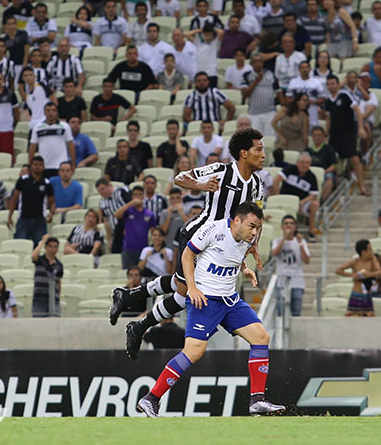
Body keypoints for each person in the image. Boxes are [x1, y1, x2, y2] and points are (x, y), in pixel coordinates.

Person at [112, 128, 266, 360]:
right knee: (185, 292)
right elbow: (180, 178)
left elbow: (257, 217)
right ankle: (139, 322)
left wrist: (254, 244)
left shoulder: (256, 184)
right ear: (244, 153)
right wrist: (201, 186)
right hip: (198, 235)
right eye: (259, 150)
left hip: (221, 247)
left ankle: (132, 303)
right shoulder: (221, 171)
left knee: (181, 287)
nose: (263, 155)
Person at [136, 202, 283, 417]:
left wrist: (245, 269)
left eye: (258, 228)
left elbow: (233, 255)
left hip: (230, 300)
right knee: (194, 351)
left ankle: (257, 400)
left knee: (261, 338)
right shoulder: (213, 230)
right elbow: (187, 255)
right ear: (237, 220)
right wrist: (192, 288)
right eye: (252, 226)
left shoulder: (246, 238)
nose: (255, 232)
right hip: (205, 300)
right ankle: (151, 399)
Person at [324, 75, 369, 196]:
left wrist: (360, 127)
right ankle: (333, 188)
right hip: (334, 134)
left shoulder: (345, 95)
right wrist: (326, 132)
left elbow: (358, 111)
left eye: (333, 83)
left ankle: (362, 186)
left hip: (348, 132)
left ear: (337, 84)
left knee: (354, 158)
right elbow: (328, 118)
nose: (331, 86)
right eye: (329, 84)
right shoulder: (328, 100)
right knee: (332, 161)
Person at [271, 152, 321, 240]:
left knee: (315, 204)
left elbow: (313, 195)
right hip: (284, 199)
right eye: (302, 162)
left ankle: (311, 232)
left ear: (310, 165)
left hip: (301, 202)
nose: (304, 165)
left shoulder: (312, 177)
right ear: (297, 162)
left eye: (307, 163)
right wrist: (277, 196)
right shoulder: (290, 169)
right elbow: (276, 180)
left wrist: (303, 202)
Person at [7, 156, 55, 243]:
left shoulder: (47, 183)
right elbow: (14, 199)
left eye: (40, 165)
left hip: (40, 220)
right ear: (31, 166)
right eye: (35, 164)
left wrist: (51, 214)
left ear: (44, 167)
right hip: (23, 218)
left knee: (40, 246)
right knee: (20, 244)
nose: (37, 167)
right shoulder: (22, 180)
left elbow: (52, 202)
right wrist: (10, 216)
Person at [270, 215, 309, 317]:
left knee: (296, 311)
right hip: (281, 281)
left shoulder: (301, 241)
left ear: (295, 227)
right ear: (282, 227)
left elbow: (307, 260)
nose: (289, 226)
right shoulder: (277, 241)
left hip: (297, 281)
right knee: (280, 311)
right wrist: (284, 239)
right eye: (286, 223)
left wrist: (300, 244)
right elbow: (274, 253)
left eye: (291, 223)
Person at [335, 239, 381, 317]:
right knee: (352, 316)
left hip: (367, 294)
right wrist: (353, 275)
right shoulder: (355, 262)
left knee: (369, 316)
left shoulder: (372, 260)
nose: (372, 252)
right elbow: (338, 270)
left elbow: (380, 272)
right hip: (356, 294)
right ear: (363, 252)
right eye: (369, 249)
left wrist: (368, 274)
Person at [116, 185, 158, 270]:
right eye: (135, 195)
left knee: (142, 275)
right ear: (132, 196)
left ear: (143, 196)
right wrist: (129, 204)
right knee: (128, 274)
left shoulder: (149, 214)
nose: (137, 197)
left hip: (143, 249)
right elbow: (117, 214)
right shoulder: (128, 211)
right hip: (128, 249)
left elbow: (153, 230)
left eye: (139, 195)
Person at [31, 235, 63, 317]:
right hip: (39, 298)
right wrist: (43, 241)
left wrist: (58, 297)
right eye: (50, 246)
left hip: (53, 299)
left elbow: (58, 282)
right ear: (45, 247)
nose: (53, 249)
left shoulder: (59, 265)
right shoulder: (40, 260)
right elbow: (33, 255)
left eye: (55, 247)